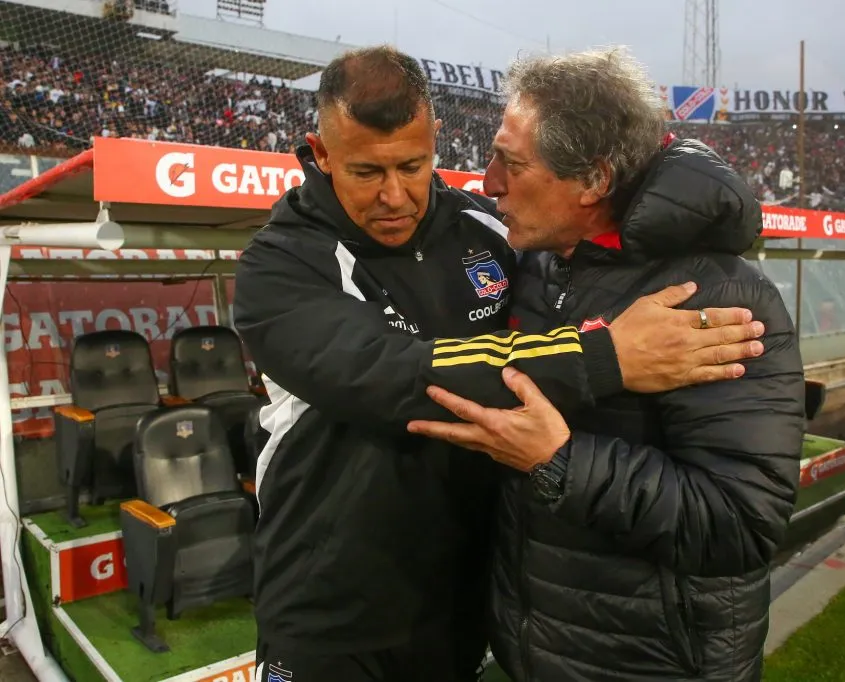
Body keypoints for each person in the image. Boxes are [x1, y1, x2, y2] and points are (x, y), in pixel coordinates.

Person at [231, 46, 768, 682]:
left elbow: (598, 226)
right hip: (327, 608)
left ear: (435, 141)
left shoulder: (491, 232)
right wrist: (607, 356)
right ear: (321, 156)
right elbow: (395, 374)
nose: (395, 195)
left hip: (464, 600)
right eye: (366, 172)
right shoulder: (279, 267)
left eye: (412, 164)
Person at [408, 48, 806, 681]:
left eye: (512, 163)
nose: (489, 183)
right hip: (538, 653)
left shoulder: (717, 295)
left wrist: (557, 461)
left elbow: (740, 523)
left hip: (653, 665)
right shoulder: (542, 265)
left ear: (593, 181)